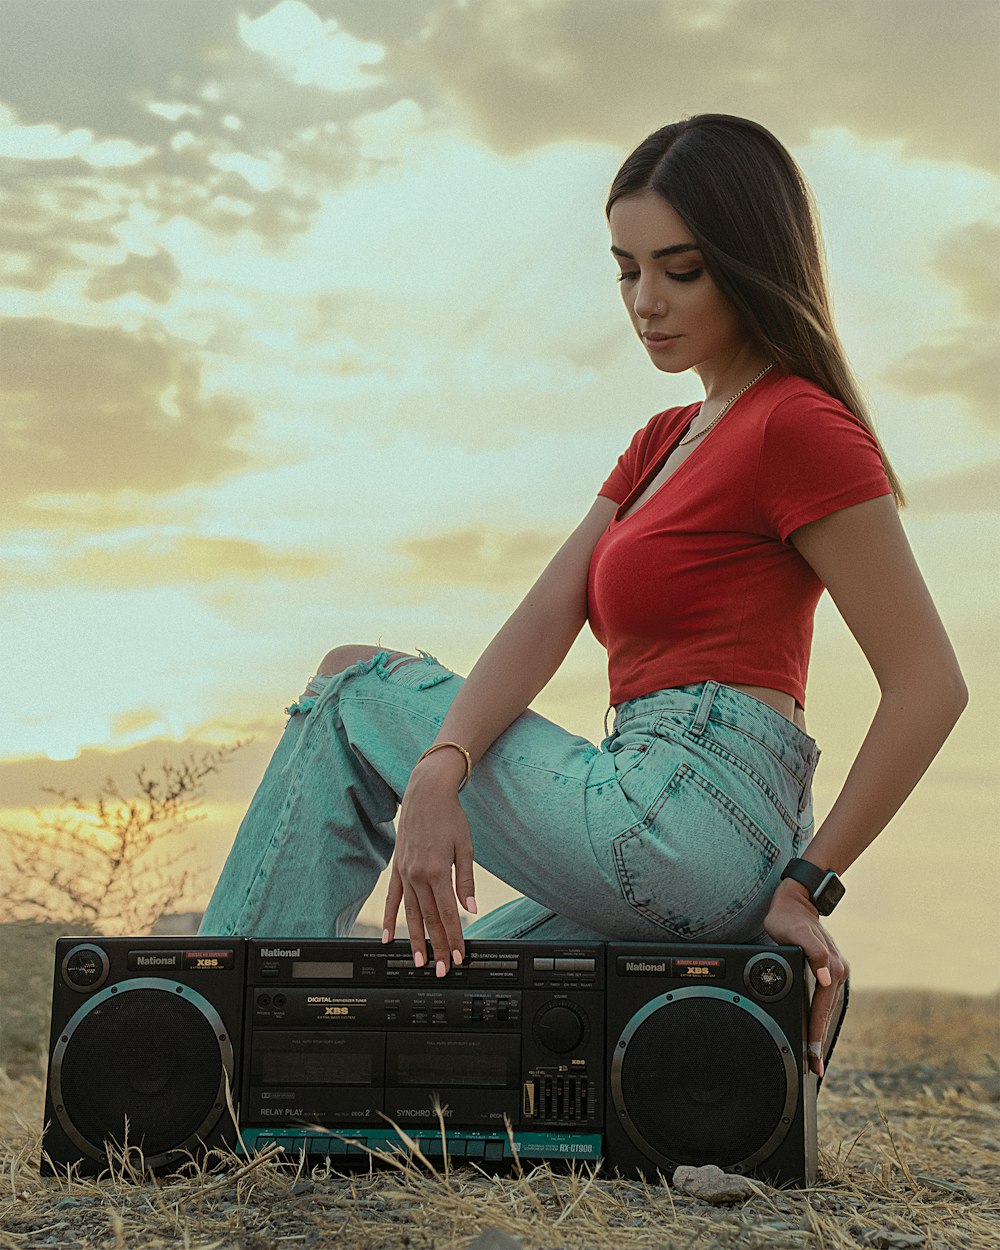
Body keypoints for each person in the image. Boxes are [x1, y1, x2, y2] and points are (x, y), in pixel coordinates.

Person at [199, 114, 967, 1077]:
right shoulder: (662, 441)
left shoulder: (798, 425)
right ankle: (298, 1089)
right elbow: (543, 619)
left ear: (752, 259)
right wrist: (441, 765)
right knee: (460, 977)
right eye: (626, 269)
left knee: (352, 681)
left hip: (690, 810)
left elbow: (930, 684)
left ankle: (202, 1037)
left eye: (680, 269)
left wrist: (810, 884)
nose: (646, 301)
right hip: (667, 822)